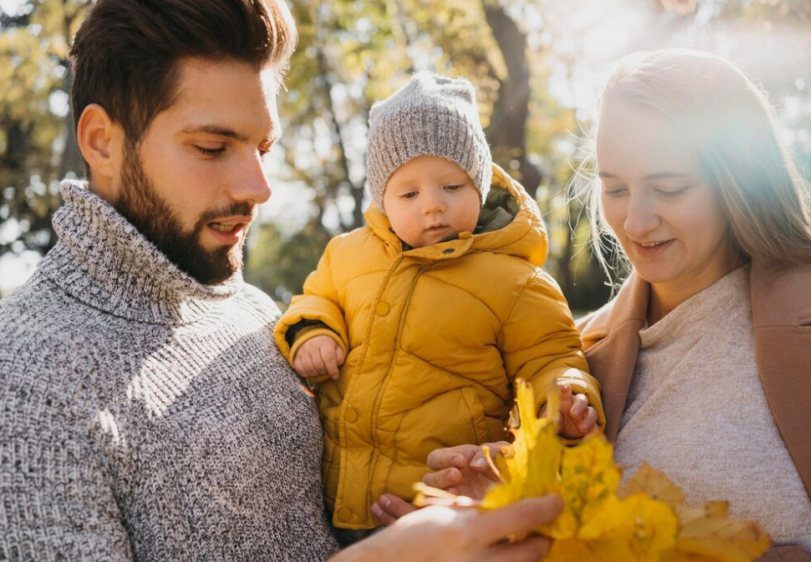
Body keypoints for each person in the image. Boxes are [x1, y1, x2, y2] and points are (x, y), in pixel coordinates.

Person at [0, 1, 563, 560]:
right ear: (102, 141)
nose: (259, 187)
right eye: (213, 147)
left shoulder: (256, 312)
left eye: (263, 148)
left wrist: (443, 500)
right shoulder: (24, 378)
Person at [378, 50, 811, 562]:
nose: (636, 222)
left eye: (670, 187)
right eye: (616, 189)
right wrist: (503, 519)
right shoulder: (572, 362)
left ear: (740, 181)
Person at [273, 71, 603, 539]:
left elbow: (551, 355)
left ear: (481, 186)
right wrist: (313, 331)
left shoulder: (514, 281)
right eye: (409, 193)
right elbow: (315, 297)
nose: (432, 206)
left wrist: (566, 400)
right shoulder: (347, 255)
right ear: (383, 199)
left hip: (439, 505)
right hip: (336, 499)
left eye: (452, 186)